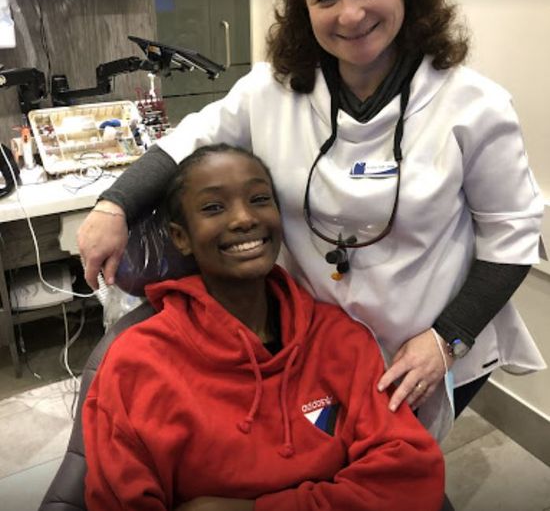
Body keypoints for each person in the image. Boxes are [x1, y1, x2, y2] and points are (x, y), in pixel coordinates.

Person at [78, 0, 545, 441]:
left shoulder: (475, 107)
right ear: (305, 7)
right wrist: (113, 205)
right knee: (327, 465)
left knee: (398, 474)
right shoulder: (271, 92)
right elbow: (190, 142)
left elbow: (512, 240)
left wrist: (446, 339)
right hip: (322, 347)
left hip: (431, 345)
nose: (350, 13)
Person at [82, 144, 445, 511]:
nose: (243, 218)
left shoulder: (339, 341)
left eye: (259, 199)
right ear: (181, 237)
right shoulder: (137, 364)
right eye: (213, 207)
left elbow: (411, 481)